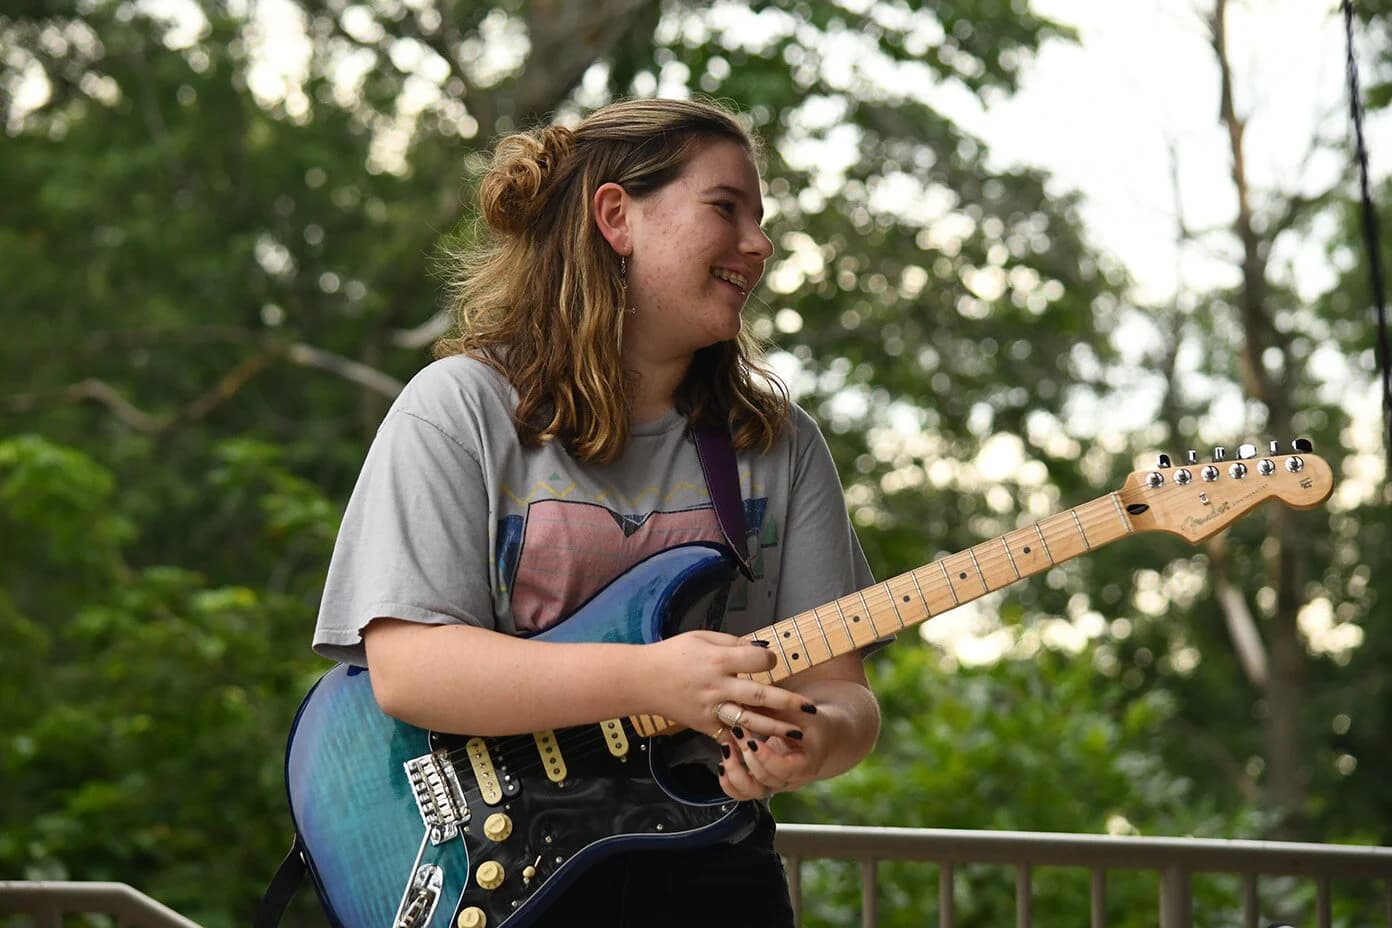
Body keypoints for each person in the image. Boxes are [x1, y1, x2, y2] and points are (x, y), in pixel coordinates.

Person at [312, 96, 881, 926]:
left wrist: (811, 740)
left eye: (761, 219)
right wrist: (651, 678)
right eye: (726, 208)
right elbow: (409, 669)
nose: (758, 244)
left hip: (711, 866)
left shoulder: (777, 445)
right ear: (616, 216)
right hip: (498, 869)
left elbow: (844, 695)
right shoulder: (459, 409)